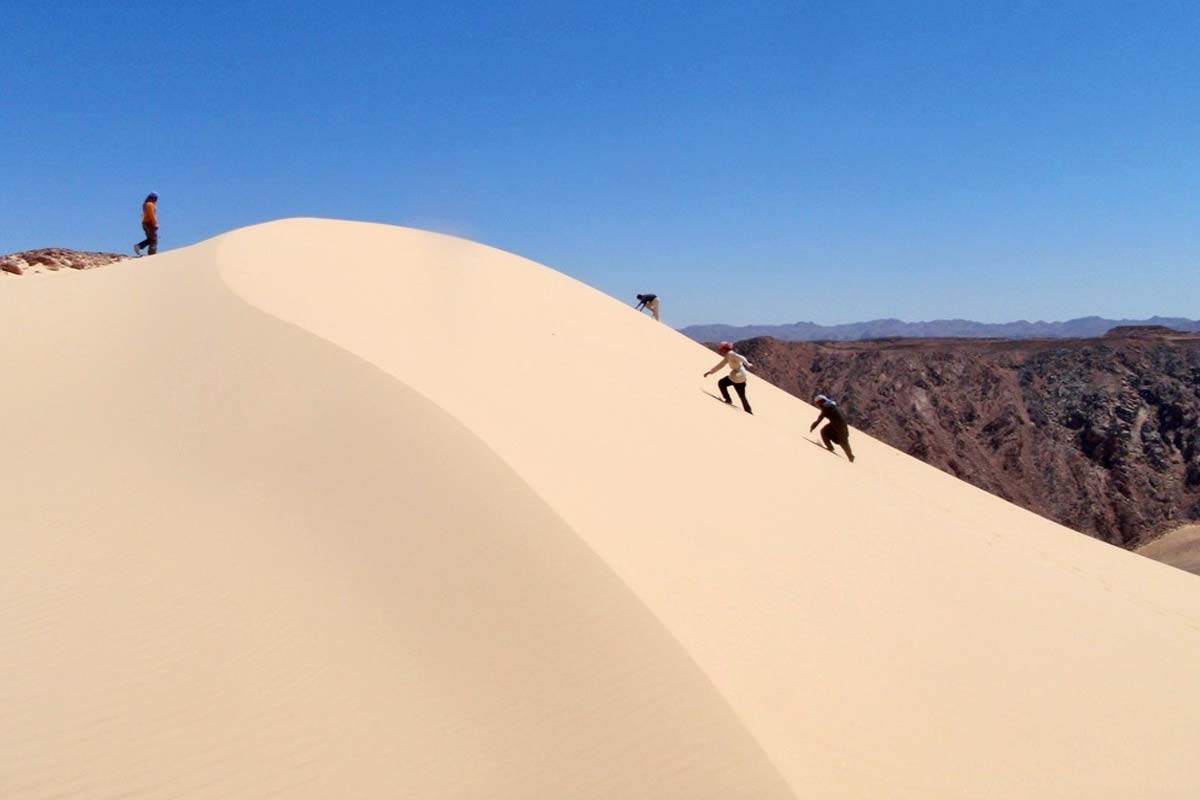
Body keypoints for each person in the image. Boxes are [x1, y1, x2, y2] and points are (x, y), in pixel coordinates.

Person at [704, 341, 753, 414]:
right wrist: (710, 372)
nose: (720, 350)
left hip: (737, 375)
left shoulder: (731, 354)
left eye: (721, 348)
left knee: (722, 383)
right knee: (742, 395)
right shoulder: (728, 356)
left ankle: (728, 399)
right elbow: (720, 365)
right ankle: (748, 411)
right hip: (742, 376)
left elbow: (741, 357)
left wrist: (747, 364)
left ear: (724, 349)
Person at [810, 394, 854, 462]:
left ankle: (831, 448)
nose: (818, 405)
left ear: (822, 401)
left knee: (824, 432)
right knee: (844, 442)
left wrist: (813, 426)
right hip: (842, 425)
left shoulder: (826, 407)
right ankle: (850, 456)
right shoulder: (833, 404)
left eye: (818, 403)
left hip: (837, 426)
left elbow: (820, 419)